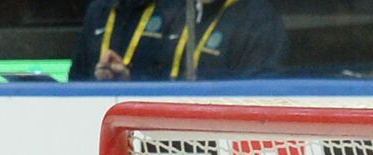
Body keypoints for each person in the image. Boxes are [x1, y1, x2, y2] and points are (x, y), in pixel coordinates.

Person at [69, 0, 286, 81]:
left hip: (219, 139)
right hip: (172, 135)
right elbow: (162, 77)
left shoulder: (258, 17)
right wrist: (127, 79)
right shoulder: (176, 11)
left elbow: (261, 92)